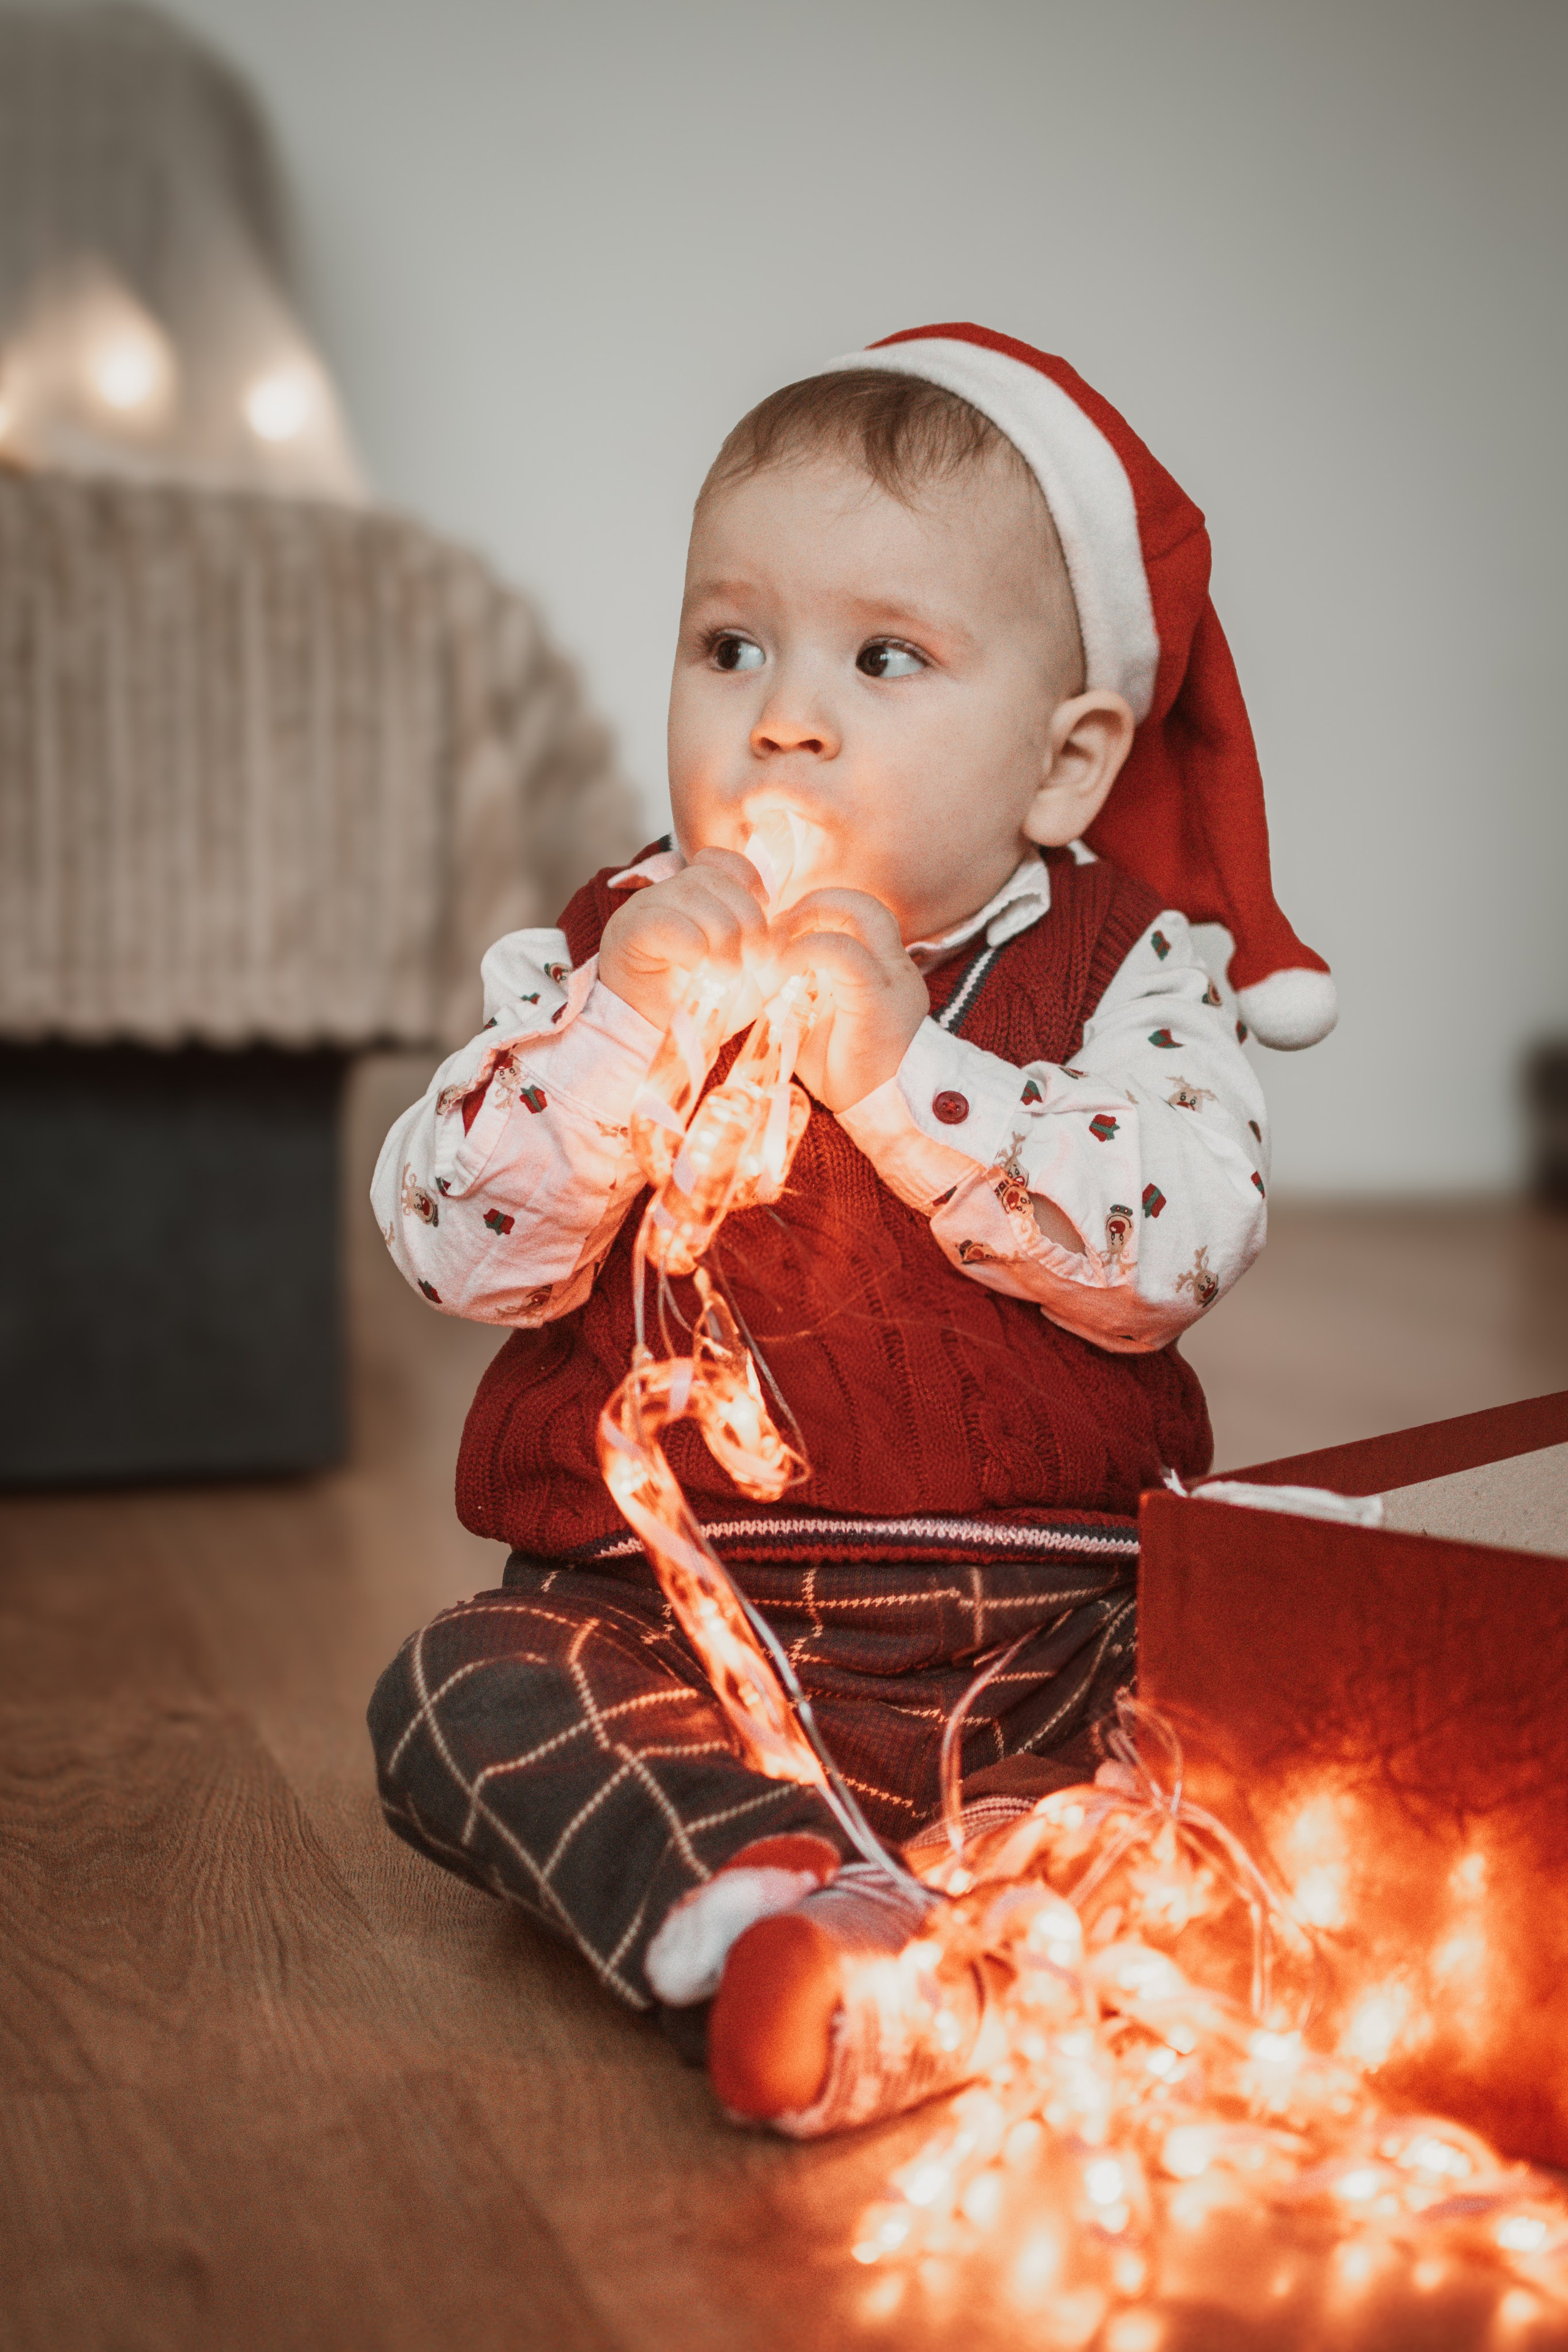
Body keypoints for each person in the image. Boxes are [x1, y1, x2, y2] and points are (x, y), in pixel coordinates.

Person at [366, 325, 1336, 2138]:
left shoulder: (1137, 971)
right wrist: (619, 1028)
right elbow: (454, 1242)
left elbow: (1175, 1248)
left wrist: (906, 1066)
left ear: (1064, 767)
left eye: (885, 658)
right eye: (732, 646)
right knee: (453, 1690)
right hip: (657, 1612)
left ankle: (999, 1920)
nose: (784, 718)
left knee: (1275, 1721)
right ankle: (769, 1912)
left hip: (1051, 1624)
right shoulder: (603, 953)